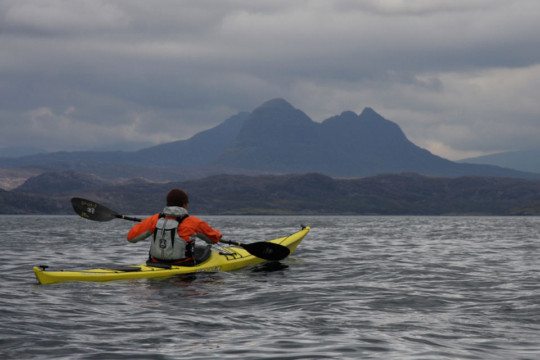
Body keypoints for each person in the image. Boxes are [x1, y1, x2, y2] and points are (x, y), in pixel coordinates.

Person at [127, 188, 222, 265]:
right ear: (184, 205)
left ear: (168, 204)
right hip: (184, 270)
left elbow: (131, 238)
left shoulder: (155, 219)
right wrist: (218, 234)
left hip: (155, 264)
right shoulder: (192, 222)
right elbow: (214, 239)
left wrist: (144, 223)